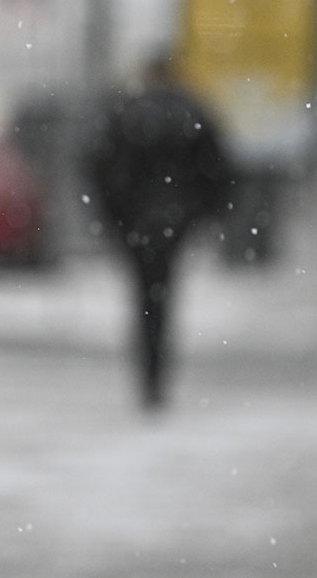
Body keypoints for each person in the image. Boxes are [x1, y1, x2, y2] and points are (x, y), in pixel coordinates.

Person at [86, 54, 234, 411]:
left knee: (144, 297)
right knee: (162, 295)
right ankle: (157, 375)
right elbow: (218, 171)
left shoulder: (127, 112)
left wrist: (114, 218)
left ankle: (148, 373)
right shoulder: (192, 113)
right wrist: (201, 214)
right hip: (174, 219)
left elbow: (100, 168)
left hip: (136, 220)